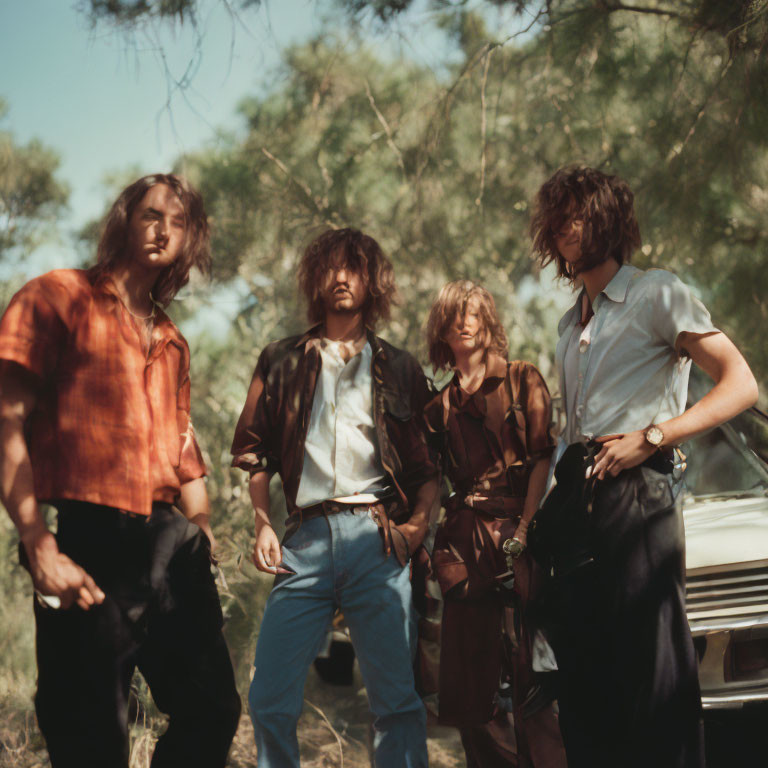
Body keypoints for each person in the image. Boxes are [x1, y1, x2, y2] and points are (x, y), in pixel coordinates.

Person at [0, 174, 241, 768]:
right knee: (91, 730)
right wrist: (38, 542)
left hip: (172, 541)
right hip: (91, 537)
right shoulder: (57, 297)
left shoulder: (173, 341)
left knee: (212, 710)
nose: (163, 229)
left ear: (191, 241)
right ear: (124, 221)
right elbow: (6, 420)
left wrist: (200, 527)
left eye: (179, 222)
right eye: (151, 214)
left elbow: (185, 455)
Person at [529, 165, 759, 768]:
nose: (566, 229)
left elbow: (741, 385)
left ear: (608, 218)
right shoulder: (568, 322)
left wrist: (654, 436)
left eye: (578, 215)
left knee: (654, 680)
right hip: (579, 506)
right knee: (584, 686)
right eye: (557, 220)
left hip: (640, 498)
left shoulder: (657, 291)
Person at [231, 227, 438, 768]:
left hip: (378, 539)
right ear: (315, 279)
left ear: (373, 281)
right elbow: (254, 455)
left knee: (396, 703)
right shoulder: (280, 360)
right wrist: (262, 523)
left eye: (354, 268)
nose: (342, 278)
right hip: (305, 540)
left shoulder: (400, 367)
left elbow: (427, 471)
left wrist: (415, 530)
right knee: (269, 698)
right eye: (331, 268)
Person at [423, 280, 567, 768]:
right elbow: (427, 483)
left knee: (533, 681)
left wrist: (525, 530)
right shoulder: (437, 408)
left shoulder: (523, 379)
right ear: (441, 328)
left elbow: (543, 460)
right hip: (462, 547)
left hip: (518, 538)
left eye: (474, 313)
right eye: (454, 315)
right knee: (470, 691)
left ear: (488, 322)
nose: (464, 322)